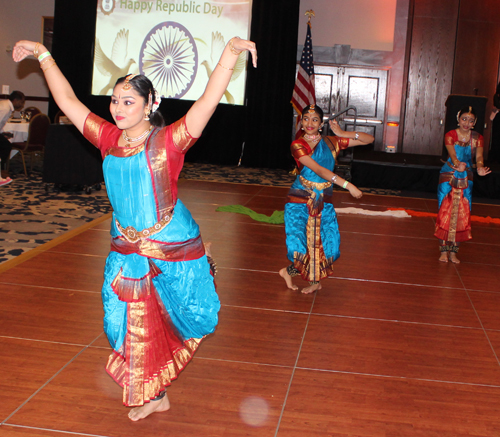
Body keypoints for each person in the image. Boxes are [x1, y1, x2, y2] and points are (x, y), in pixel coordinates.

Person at [13, 37, 257, 421]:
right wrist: (43, 55)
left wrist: (228, 54)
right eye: (115, 101)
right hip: (124, 248)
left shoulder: (169, 142)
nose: (118, 108)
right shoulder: (109, 138)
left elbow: (206, 103)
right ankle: (154, 391)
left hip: (167, 246)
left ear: (151, 105)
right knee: (118, 325)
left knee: (161, 321)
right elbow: (68, 102)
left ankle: (153, 393)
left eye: (128, 102)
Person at [279, 104, 374, 294]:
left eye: (314, 119)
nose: (309, 123)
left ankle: (293, 274)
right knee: (301, 244)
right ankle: (307, 279)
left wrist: (343, 132)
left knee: (327, 245)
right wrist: (347, 185)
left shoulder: (331, 142)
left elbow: (368, 140)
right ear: (301, 122)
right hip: (300, 200)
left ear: (321, 124)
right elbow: (319, 170)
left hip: (323, 200)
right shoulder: (298, 145)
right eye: (306, 118)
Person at [434, 106, 491, 264]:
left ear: (474, 123)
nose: (467, 122)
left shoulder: (477, 137)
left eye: (471, 120)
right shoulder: (450, 135)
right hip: (449, 173)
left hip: (467, 175)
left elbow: (479, 157)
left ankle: (454, 253)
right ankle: (444, 251)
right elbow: (452, 154)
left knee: (462, 215)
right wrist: (458, 164)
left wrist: (479, 167)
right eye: (464, 119)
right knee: (445, 212)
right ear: (458, 119)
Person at [0, 90, 25, 183]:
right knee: (6, 146)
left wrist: (2, 133)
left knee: (5, 145)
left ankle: (2, 169)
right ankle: (2, 170)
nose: (22, 105)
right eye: (21, 102)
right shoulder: (5, 108)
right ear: (15, 100)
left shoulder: (6, 105)